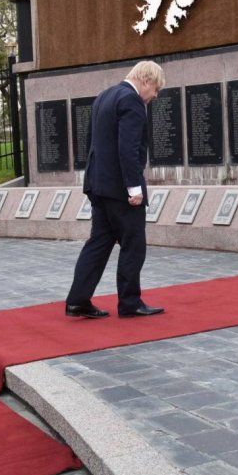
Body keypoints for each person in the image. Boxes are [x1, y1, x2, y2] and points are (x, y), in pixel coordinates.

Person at [65, 60, 166, 319]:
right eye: (156, 88)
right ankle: (130, 302)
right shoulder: (131, 101)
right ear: (145, 80)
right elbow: (128, 148)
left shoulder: (104, 96)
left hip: (98, 185)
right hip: (121, 189)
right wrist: (134, 188)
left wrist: (94, 181)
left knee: (98, 242)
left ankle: (78, 299)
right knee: (134, 244)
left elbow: (93, 144)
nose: (155, 95)